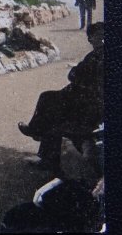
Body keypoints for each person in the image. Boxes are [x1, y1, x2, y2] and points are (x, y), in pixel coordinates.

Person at [18, 21, 104, 173]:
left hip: (88, 106)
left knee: (50, 107)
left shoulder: (99, 55)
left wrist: (78, 75)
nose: (102, 38)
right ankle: (38, 137)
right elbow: (75, 74)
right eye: (98, 36)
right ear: (90, 39)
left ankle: (37, 133)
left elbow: (74, 75)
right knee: (48, 101)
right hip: (86, 102)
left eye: (103, 35)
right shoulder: (96, 55)